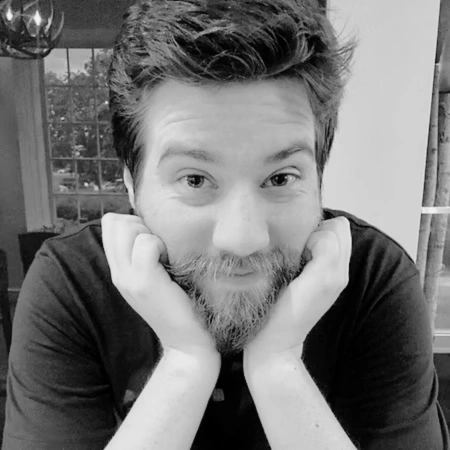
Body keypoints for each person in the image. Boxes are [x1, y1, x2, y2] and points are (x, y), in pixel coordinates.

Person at [3, 0, 449, 448]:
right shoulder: (73, 283)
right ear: (132, 185)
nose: (243, 239)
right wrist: (184, 364)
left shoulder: (374, 278)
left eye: (280, 178)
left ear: (319, 178)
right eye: (195, 179)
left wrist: (278, 367)